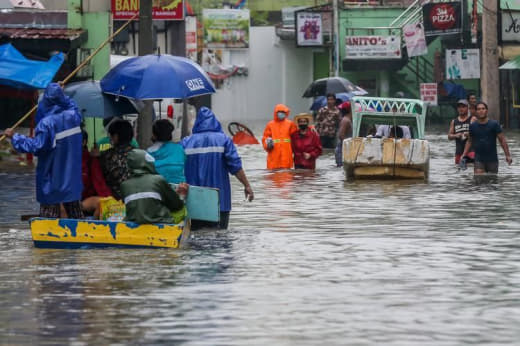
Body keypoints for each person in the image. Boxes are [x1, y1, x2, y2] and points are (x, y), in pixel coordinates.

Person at [3, 83, 83, 218]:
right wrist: (62, 94)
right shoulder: (74, 116)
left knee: (48, 220)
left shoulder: (47, 123)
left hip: (52, 179)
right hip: (71, 179)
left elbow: (35, 146)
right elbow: (71, 105)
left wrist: (14, 137)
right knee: (77, 216)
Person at [181, 106, 254, 229]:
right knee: (220, 239)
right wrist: (247, 185)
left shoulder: (186, 142)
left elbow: (178, 168)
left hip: (194, 202)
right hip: (220, 202)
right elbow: (235, 166)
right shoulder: (224, 140)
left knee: (195, 240)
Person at [120, 149, 187, 224]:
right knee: (181, 210)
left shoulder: (124, 185)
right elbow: (176, 205)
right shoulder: (158, 180)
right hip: (160, 222)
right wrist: (181, 195)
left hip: (133, 224)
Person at [461, 102, 512, 174]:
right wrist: (464, 155)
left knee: (492, 181)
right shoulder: (473, 126)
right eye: (478, 109)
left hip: (492, 159)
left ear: (487, 111)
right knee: (479, 180)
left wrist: (508, 155)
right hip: (478, 159)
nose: (481, 111)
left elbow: (502, 140)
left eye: (483, 109)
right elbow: (469, 141)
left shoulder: (494, 124)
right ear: (476, 112)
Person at [99, 119, 134, 200]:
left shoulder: (107, 155)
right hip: (136, 197)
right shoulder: (139, 153)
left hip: (114, 201)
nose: (110, 137)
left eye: (111, 135)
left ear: (116, 136)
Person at [81, 130, 112, 215]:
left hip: (86, 203)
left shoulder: (91, 160)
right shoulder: (65, 160)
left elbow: (100, 183)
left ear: (83, 142)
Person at [147, 119, 186, 184]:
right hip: (179, 189)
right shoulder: (179, 149)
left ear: (154, 135)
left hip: (158, 188)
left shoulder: (149, 153)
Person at [262, 104, 298, 169]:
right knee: (274, 176)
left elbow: (297, 134)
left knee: (286, 176)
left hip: (286, 155)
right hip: (274, 155)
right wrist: (267, 146)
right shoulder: (270, 124)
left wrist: (309, 127)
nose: (281, 114)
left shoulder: (290, 124)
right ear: (276, 113)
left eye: (283, 112)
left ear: (286, 113)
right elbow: (265, 138)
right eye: (280, 112)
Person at [448, 99, 476, 164]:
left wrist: (468, 133)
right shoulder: (454, 121)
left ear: (467, 108)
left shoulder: (472, 119)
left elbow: (476, 133)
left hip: (471, 151)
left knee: (470, 169)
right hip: (458, 152)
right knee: (459, 171)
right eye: (459, 107)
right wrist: (456, 135)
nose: (461, 109)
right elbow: (449, 136)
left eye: (463, 107)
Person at [335, 101, 353, 167]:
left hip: (344, 150)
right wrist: (348, 146)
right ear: (350, 109)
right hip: (342, 151)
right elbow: (341, 135)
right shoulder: (345, 120)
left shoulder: (348, 120)